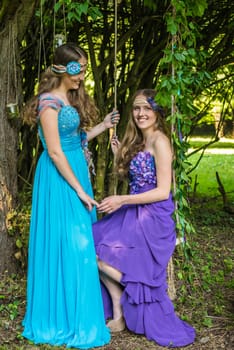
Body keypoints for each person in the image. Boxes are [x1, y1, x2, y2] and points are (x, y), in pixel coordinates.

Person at [22, 43, 120, 348]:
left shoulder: (70, 98)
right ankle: (62, 317)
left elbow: (74, 141)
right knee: (70, 243)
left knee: (79, 241)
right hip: (59, 178)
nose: (82, 76)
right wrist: (79, 188)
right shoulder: (48, 103)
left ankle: (79, 311)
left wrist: (103, 126)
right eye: (78, 69)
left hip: (75, 168)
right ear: (62, 68)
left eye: (84, 69)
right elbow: (53, 150)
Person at [92, 89, 196, 347]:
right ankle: (119, 308)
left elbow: (162, 191)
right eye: (137, 109)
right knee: (90, 243)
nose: (140, 114)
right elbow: (136, 181)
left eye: (147, 109)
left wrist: (121, 200)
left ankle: (134, 287)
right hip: (133, 209)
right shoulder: (138, 140)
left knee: (104, 253)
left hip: (152, 216)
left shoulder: (161, 141)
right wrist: (119, 156)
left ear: (157, 112)